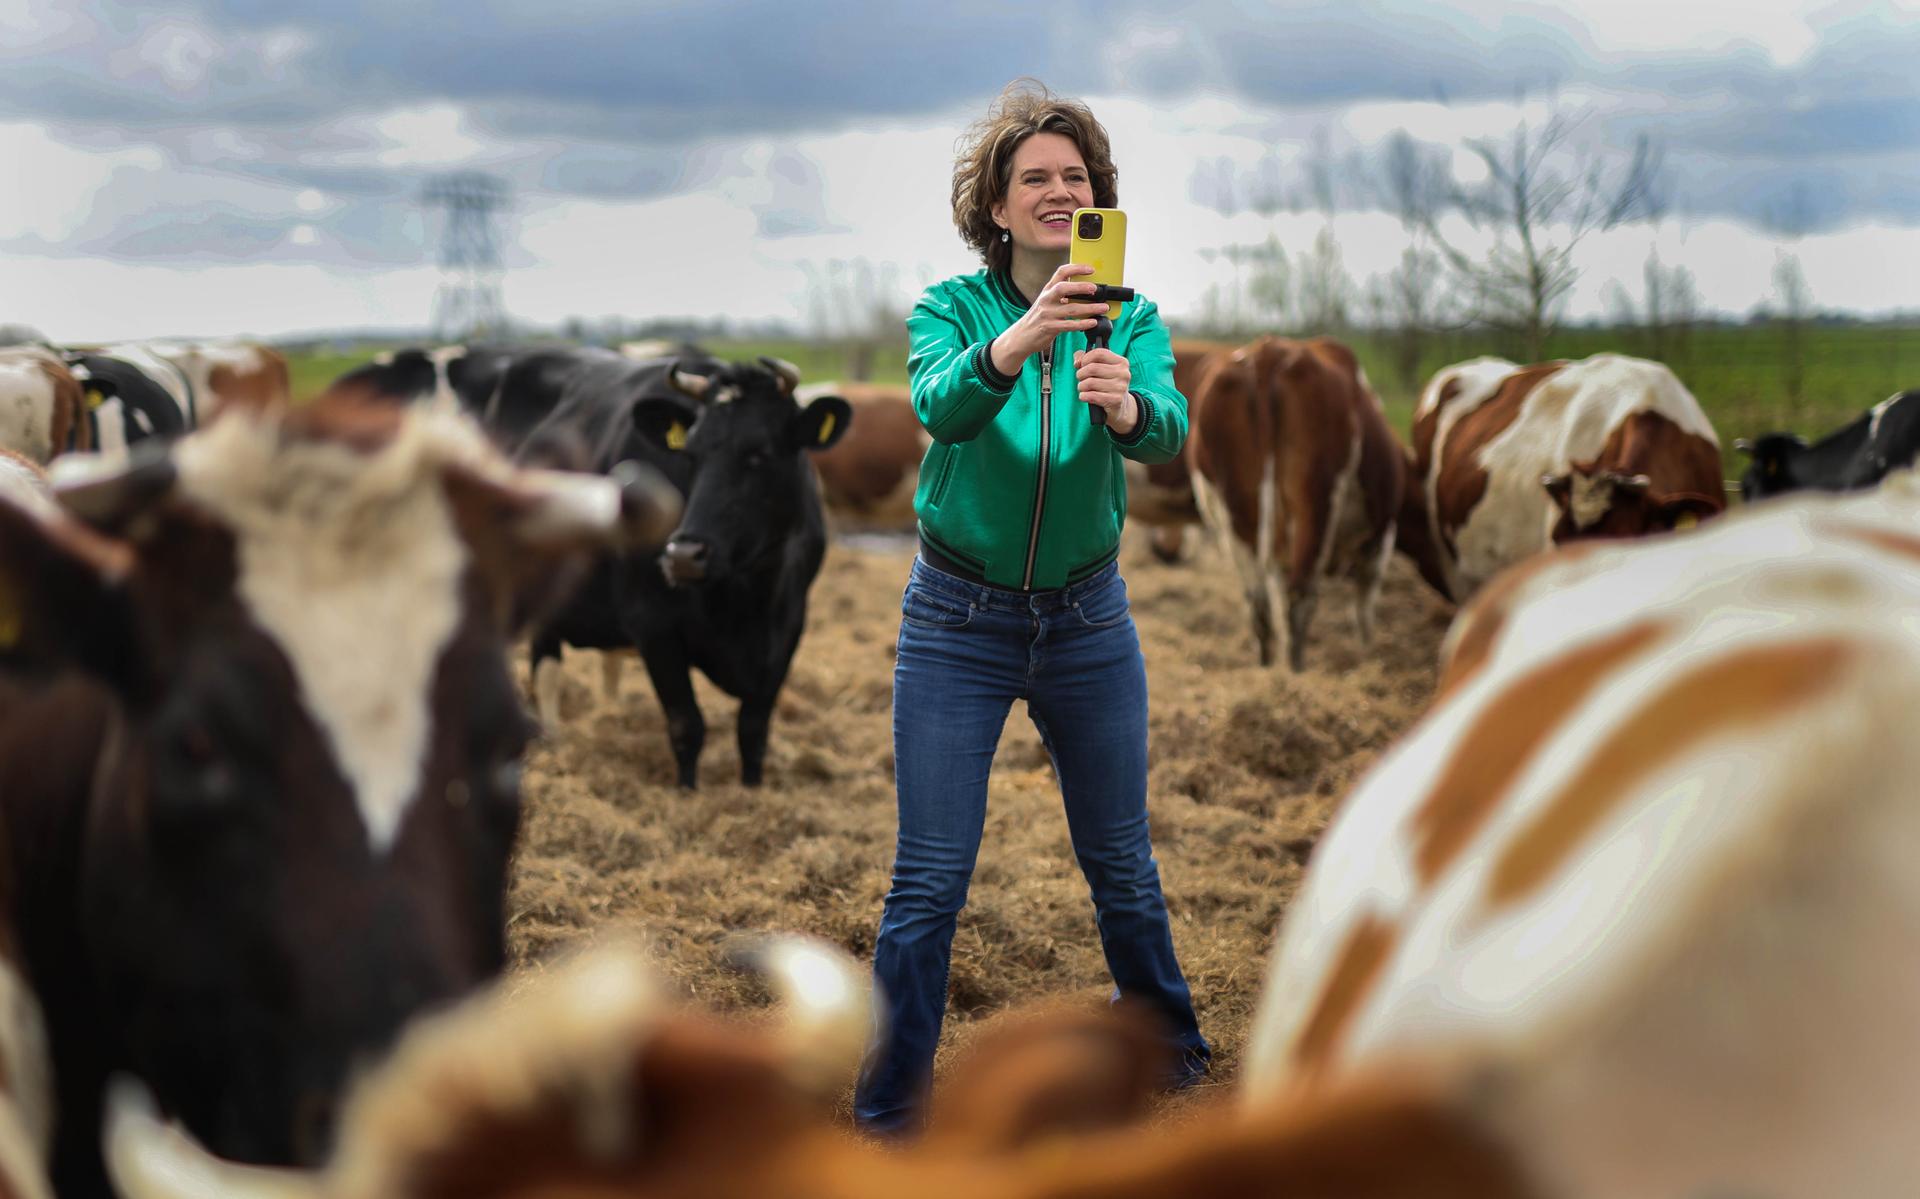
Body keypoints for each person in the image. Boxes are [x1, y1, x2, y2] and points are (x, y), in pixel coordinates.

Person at [854, 79, 1210, 1136]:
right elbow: (939, 406)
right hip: (956, 623)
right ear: (998, 209)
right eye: (1036, 180)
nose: (1061, 192)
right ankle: (889, 1113)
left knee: (1123, 867)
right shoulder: (950, 311)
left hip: (1090, 623)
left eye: (1077, 177)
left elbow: (1167, 436)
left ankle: (1176, 1054)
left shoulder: (1134, 314)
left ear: (1098, 197)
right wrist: (1021, 339)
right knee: (928, 883)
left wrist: (1130, 401)